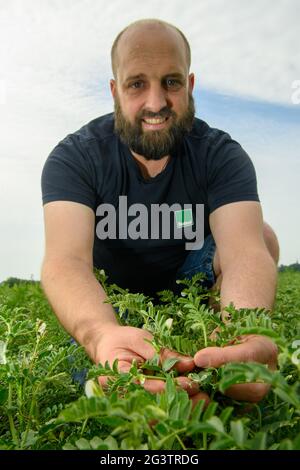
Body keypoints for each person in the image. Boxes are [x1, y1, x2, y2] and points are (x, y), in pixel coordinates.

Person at [41, 18, 279, 406]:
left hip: (190, 292)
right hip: (111, 302)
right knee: (98, 383)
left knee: (263, 236)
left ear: (190, 85)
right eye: (137, 84)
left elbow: (245, 251)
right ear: (115, 91)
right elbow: (65, 260)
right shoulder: (76, 157)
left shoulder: (220, 154)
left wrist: (246, 330)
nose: (156, 103)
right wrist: (101, 334)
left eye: (171, 82)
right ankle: (127, 358)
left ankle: (218, 348)